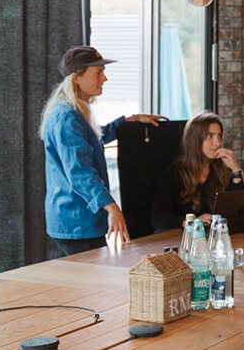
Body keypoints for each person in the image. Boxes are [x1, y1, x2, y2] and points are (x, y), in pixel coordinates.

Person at [40, 46, 166, 256]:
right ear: (76, 79)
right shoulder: (67, 117)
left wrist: (130, 121)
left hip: (80, 222)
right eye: (98, 73)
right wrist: (111, 207)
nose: (104, 78)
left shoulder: (76, 111)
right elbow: (80, 172)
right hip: (77, 223)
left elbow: (95, 139)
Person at [150, 110, 244, 232]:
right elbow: (158, 217)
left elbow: (241, 210)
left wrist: (235, 170)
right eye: (210, 136)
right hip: (183, 239)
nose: (217, 143)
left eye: (219, 136)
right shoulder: (173, 173)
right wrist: (191, 223)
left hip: (214, 238)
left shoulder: (221, 169)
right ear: (195, 140)